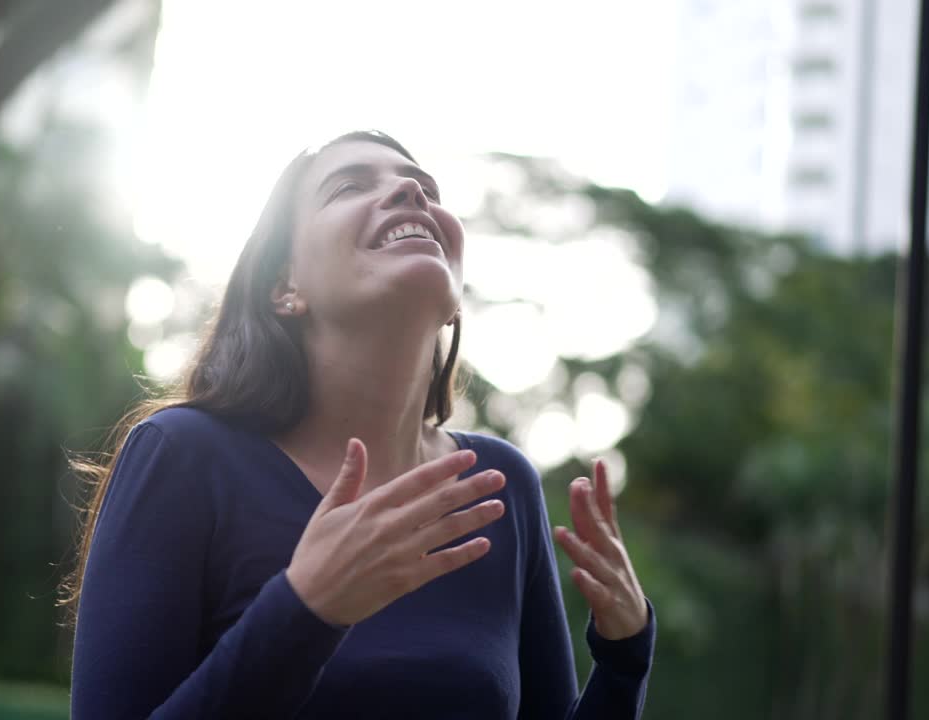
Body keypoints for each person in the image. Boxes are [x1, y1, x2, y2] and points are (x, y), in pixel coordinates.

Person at [65, 130, 655, 719]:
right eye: (349, 185)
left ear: (453, 300)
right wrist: (305, 611)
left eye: (426, 187)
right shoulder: (183, 455)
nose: (410, 192)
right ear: (284, 287)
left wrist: (625, 657)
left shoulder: (501, 485)